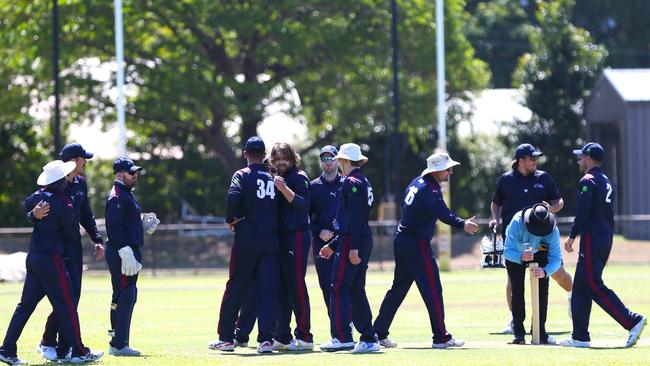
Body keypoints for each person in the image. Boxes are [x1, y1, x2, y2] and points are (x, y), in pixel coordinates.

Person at [0, 161, 103, 365]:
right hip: (51, 260)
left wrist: (33, 215)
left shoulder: (39, 195)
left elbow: (25, 207)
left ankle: (7, 349)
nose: (67, 179)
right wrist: (78, 231)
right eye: (64, 177)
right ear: (59, 180)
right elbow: (72, 235)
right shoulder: (64, 201)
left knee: (25, 306)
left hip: (34, 258)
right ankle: (79, 351)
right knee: (67, 305)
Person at [373, 152, 477, 349]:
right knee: (433, 289)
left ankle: (377, 332)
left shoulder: (416, 182)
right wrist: (462, 223)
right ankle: (441, 337)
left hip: (402, 240)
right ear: (436, 170)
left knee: (398, 289)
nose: (451, 172)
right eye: (448, 169)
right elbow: (442, 213)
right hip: (415, 244)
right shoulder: (431, 189)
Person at [560, 142, 646, 348]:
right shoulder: (607, 180)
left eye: (581, 157)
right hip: (604, 236)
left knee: (592, 284)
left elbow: (583, 211)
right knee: (581, 285)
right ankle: (580, 337)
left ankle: (632, 320)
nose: (579, 160)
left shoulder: (588, 179)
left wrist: (572, 236)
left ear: (589, 158)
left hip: (593, 237)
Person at [26, 143, 105, 361]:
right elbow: (31, 208)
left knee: (73, 298)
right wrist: (33, 215)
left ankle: (62, 346)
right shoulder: (54, 181)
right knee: (64, 299)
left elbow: (86, 213)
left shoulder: (80, 182)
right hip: (54, 250)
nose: (85, 162)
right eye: (83, 158)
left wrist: (97, 239)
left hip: (74, 247)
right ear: (73, 161)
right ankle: (51, 342)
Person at [489, 143, 572, 333]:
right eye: (531, 158)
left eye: (536, 158)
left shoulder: (543, 178)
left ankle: (572, 295)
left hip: (542, 237)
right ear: (521, 161)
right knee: (513, 280)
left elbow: (558, 201)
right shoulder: (505, 180)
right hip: (516, 238)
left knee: (556, 271)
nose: (535, 160)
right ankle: (514, 320)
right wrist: (495, 219)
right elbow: (495, 203)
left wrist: (550, 209)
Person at [208, 136, 279, 354]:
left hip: (247, 239)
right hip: (271, 240)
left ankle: (227, 338)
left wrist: (232, 219)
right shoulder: (273, 177)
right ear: (264, 155)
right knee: (267, 291)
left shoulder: (241, 174)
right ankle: (266, 340)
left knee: (236, 287)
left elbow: (233, 198)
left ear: (245, 154)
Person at [319, 143, 378, 353]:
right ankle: (369, 337)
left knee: (338, 287)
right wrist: (334, 245)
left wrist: (351, 247)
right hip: (360, 239)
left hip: (354, 241)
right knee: (355, 289)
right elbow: (356, 219)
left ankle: (342, 336)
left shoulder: (350, 182)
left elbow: (354, 218)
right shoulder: (364, 181)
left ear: (344, 161)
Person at [269, 142, 313, 351]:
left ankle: (305, 336)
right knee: (280, 288)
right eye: (276, 158)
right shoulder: (276, 177)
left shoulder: (299, 177)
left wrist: (283, 188)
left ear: (292, 158)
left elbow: (302, 205)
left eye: (284, 158)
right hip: (280, 238)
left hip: (297, 236)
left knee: (296, 285)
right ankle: (282, 335)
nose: (280, 162)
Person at [104, 157, 147, 356]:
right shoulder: (117, 196)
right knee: (125, 294)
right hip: (122, 252)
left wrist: (143, 224)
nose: (135, 175)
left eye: (136, 172)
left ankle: (118, 340)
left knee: (124, 294)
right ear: (121, 174)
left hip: (128, 250)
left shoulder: (126, 194)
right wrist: (124, 249)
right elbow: (113, 226)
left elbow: (127, 222)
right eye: (131, 172)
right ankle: (119, 344)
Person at [504, 204, 562, 345]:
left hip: (540, 249)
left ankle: (540, 332)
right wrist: (521, 256)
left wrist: (545, 271)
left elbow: (556, 258)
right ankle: (519, 334)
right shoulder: (517, 222)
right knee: (517, 291)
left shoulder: (552, 230)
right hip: (516, 253)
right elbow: (507, 251)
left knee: (542, 292)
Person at [309, 145, 344, 318]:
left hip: (344, 241)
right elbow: (305, 217)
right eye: (324, 159)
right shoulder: (313, 186)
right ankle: (336, 327)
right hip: (321, 243)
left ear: (338, 160)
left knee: (346, 285)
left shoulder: (347, 183)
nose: (327, 162)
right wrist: (318, 230)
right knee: (326, 285)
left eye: (331, 158)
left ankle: (349, 325)